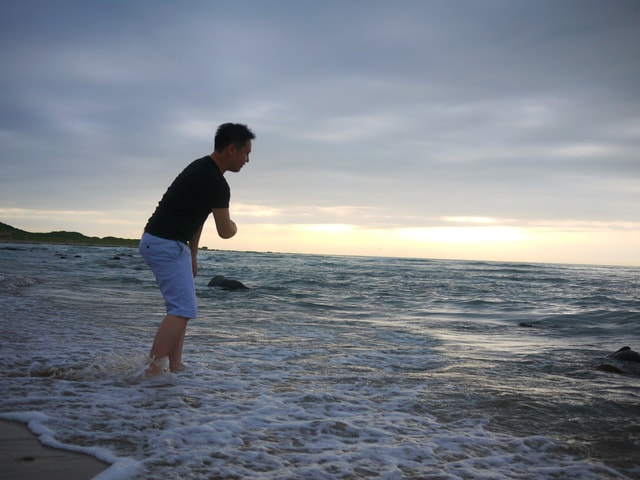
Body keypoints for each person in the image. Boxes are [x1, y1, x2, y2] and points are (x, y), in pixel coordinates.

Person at [139, 123, 255, 375]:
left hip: (167, 243)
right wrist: (235, 227)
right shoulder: (216, 182)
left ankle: (175, 367)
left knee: (181, 308)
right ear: (232, 149)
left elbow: (197, 218)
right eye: (246, 153)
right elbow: (225, 231)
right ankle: (152, 370)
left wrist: (192, 255)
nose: (247, 160)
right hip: (165, 243)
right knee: (182, 309)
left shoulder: (201, 167)